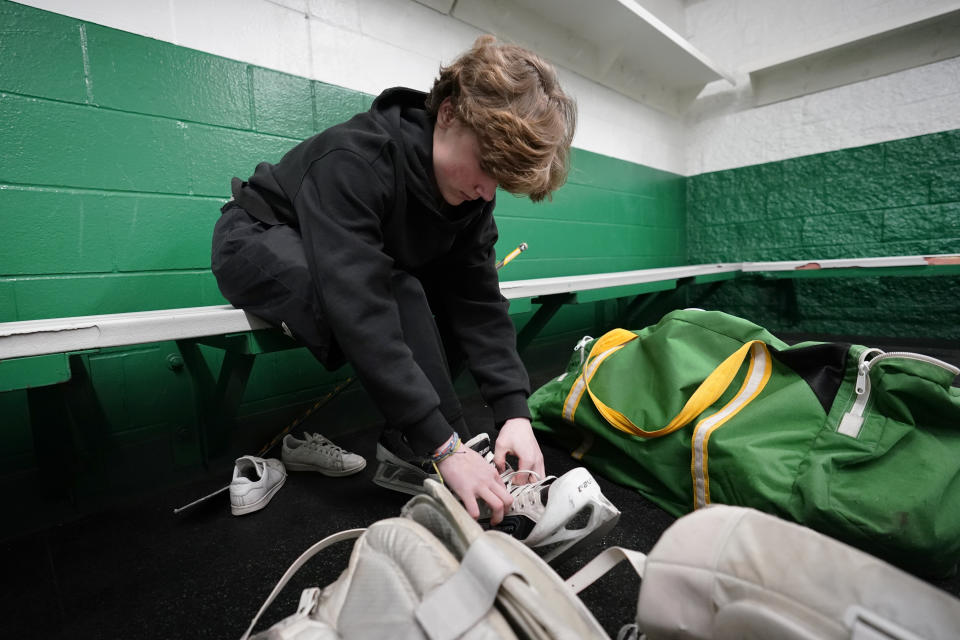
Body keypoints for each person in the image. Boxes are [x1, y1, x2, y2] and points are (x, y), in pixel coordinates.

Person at [211, 35, 576, 526]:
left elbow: (480, 303)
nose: (488, 190)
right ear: (448, 114)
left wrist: (515, 411)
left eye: (502, 184)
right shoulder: (356, 159)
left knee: (447, 294)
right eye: (487, 166)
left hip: (345, 255)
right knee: (393, 291)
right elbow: (362, 305)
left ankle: (410, 443)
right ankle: (438, 449)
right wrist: (447, 446)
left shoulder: (472, 201)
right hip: (255, 237)